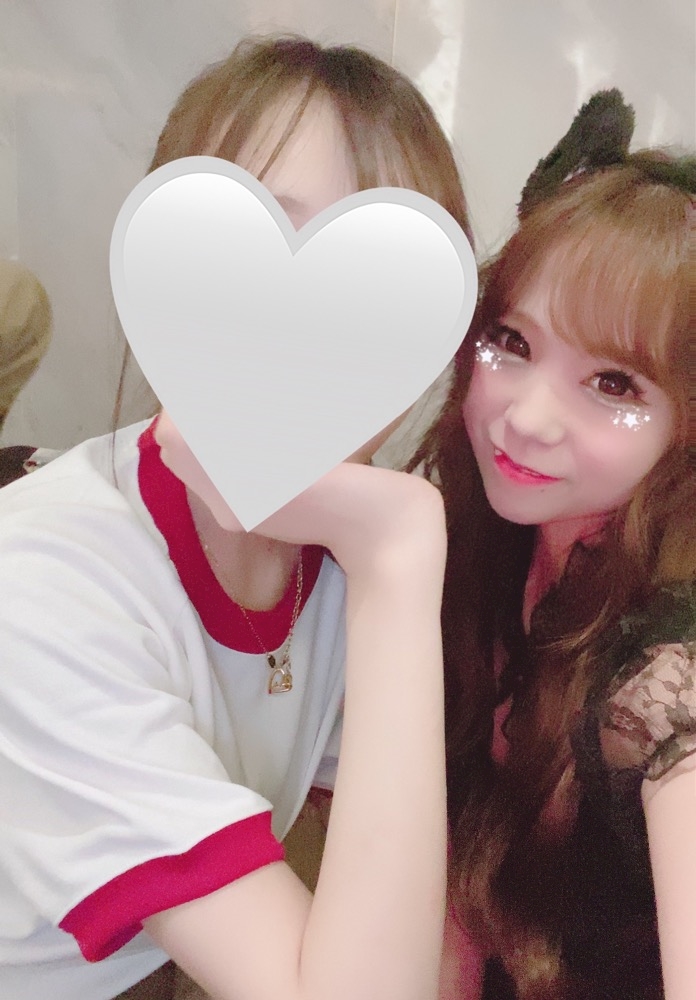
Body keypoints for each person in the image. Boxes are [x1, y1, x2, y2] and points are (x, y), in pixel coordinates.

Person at [0, 35, 472, 1000]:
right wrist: (399, 560)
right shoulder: (42, 587)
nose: (311, 334)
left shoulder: (333, 539)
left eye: (377, 290)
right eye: (251, 258)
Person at [413, 91, 695, 1000]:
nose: (527, 417)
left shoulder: (664, 672)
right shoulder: (480, 544)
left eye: (614, 384)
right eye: (511, 341)